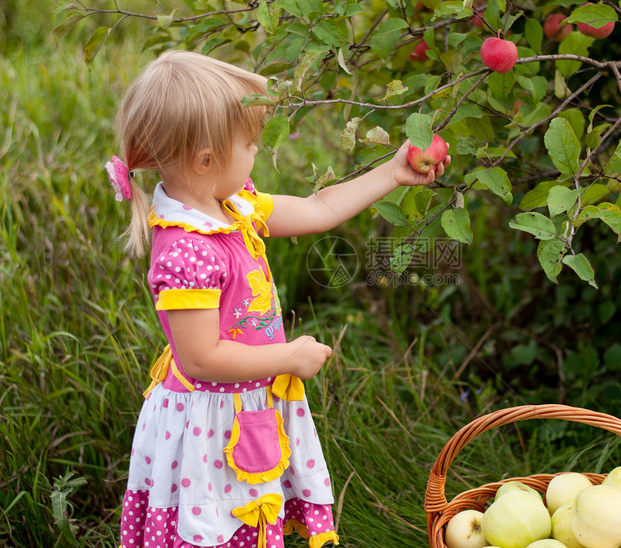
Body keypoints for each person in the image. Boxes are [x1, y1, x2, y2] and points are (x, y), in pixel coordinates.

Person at [106, 50, 448, 548]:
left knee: (251, 519)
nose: (254, 152)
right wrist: (288, 356)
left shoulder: (232, 205)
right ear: (206, 159)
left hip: (246, 406)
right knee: (219, 524)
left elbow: (317, 207)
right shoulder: (188, 250)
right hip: (209, 426)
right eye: (249, 143)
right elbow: (201, 359)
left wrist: (392, 173)